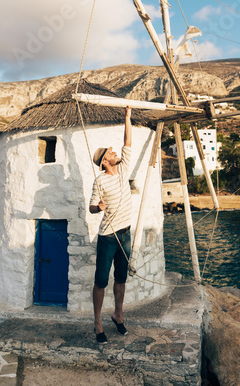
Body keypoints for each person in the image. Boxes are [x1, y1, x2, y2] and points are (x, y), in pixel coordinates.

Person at [89, 106, 132, 344]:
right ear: (106, 160)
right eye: (112, 152)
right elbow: (91, 207)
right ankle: (97, 323)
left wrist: (127, 116)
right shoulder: (100, 180)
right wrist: (99, 208)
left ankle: (118, 315)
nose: (117, 152)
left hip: (125, 235)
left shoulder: (124, 169)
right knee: (101, 281)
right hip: (107, 237)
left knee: (121, 279)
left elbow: (128, 142)